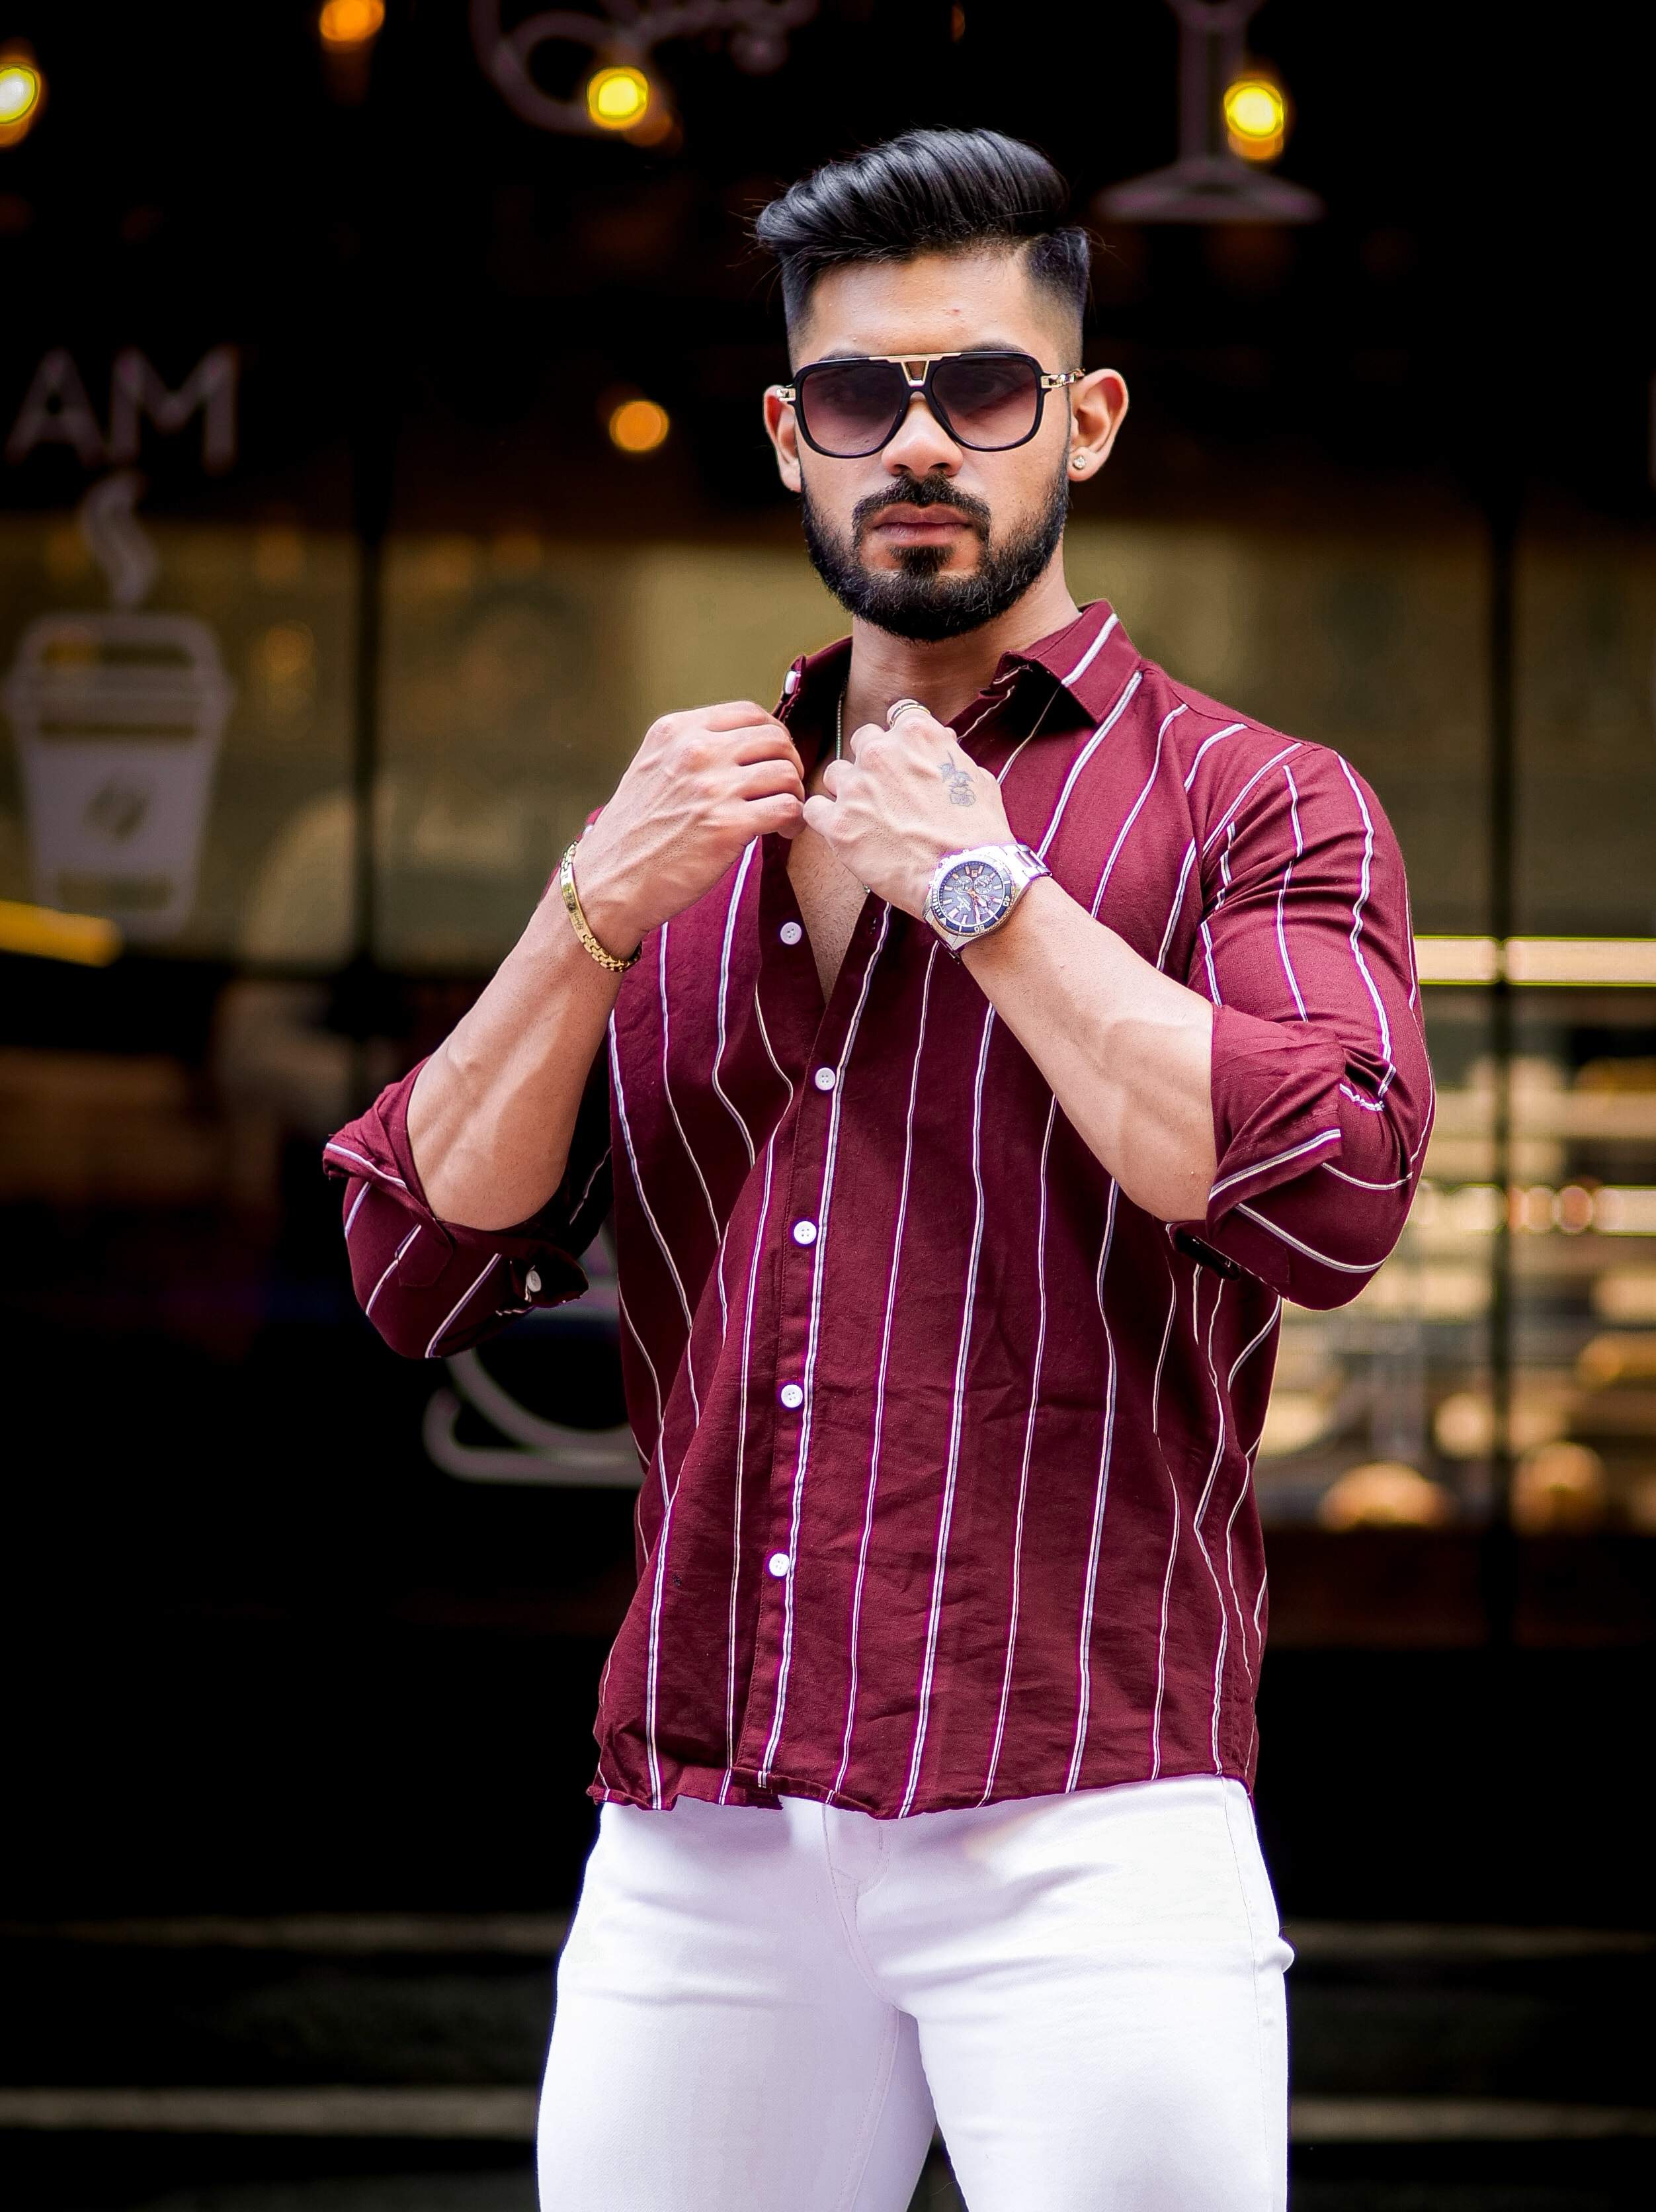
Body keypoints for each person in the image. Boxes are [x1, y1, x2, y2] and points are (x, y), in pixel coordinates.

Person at [324, 129, 1431, 2212]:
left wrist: (989, 892)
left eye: (982, 390)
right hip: (703, 1826)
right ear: (787, 437)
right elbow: (414, 1255)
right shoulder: (685, 822)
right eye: (859, 400)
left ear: (1084, 421)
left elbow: (1329, 1188)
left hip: (1088, 1806)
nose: (919, 445)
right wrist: (590, 904)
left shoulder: (1252, 802)